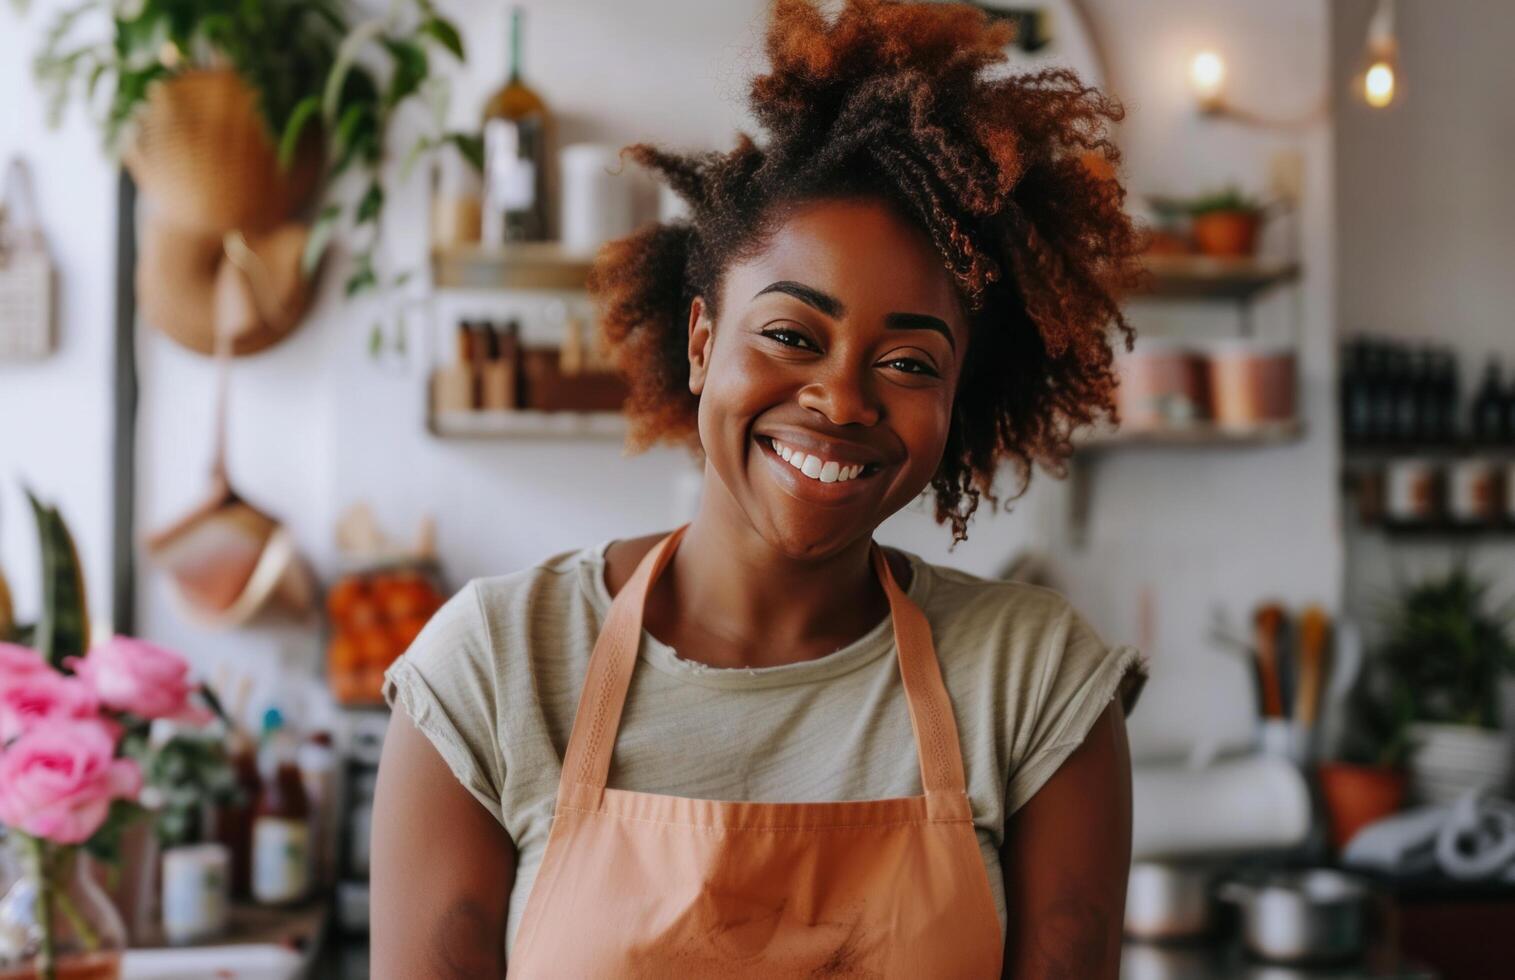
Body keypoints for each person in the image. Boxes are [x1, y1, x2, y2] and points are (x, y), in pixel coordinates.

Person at [372, 0, 1149, 975]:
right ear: (703, 343)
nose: (840, 398)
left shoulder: (1033, 686)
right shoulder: (496, 671)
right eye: (790, 334)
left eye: (910, 362)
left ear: (957, 400)